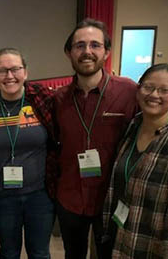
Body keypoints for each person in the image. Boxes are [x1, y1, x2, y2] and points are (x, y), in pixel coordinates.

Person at [53, 18, 138, 259]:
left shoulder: (129, 92)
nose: (87, 51)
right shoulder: (58, 99)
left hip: (111, 199)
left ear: (107, 52)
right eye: (79, 45)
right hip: (70, 197)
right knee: (73, 255)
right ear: (69, 53)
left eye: (94, 45)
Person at [0, 47, 57, 259]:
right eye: (2, 70)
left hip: (40, 195)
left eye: (15, 69)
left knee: (40, 252)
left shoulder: (43, 98)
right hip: (2, 197)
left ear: (25, 72)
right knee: (8, 252)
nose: (9, 76)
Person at [103, 63, 168, 258]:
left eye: (164, 90)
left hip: (153, 245)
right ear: (138, 89)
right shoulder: (132, 126)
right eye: (148, 87)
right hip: (121, 235)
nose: (154, 95)